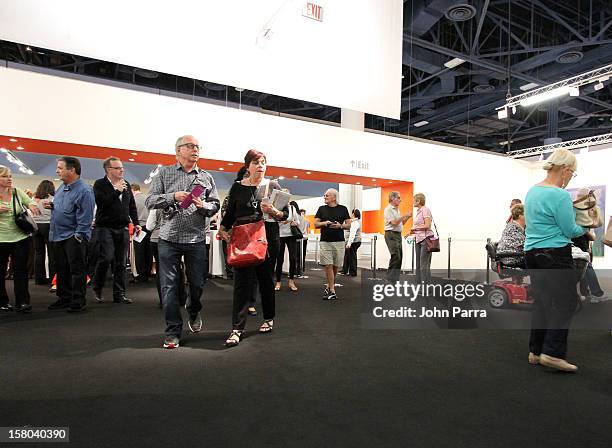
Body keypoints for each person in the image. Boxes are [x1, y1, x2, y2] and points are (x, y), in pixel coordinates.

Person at [145, 135, 220, 349]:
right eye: (190, 146)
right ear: (178, 151)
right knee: (169, 288)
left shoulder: (206, 177)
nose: (195, 149)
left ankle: (194, 309)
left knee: (197, 284)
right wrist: (173, 196)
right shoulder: (164, 173)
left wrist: (203, 205)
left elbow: (215, 204)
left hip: (196, 239)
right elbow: (150, 200)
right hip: (168, 239)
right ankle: (172, 332)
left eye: (197, 146)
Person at [524, 148, 593, 372]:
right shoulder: (560, 195)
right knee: (567, 303)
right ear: (564, 170)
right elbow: (570, 229)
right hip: (555, 254)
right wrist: (587, 227)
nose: (570, 177)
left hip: (532, 253)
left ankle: (535, 351)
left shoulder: (532, 191)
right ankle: (552, 353)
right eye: (572, 173)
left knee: (542, 302)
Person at [219, 149, 287, 347]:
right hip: (243, 239)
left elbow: (284, 215)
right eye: (256, 162)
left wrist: (273, 210)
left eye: (264, 162)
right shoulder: (237, 187)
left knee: (266, 279)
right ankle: (237, 328)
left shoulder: (272, 186)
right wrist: (223, 228)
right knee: (241, 284)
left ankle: (268, 317)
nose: (261, 166)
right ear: (247, 166)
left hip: (267, 238)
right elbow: (230, 213)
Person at [48, 156, 95, 313]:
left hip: (73, 236)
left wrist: (79, 235)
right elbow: (64, 206)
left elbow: (86, 215)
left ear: (72, 170)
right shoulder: (62, 187)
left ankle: (78, 300)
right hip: (58, 234)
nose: (57, 170)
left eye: (61, 168)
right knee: (61, 268)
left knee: (76, 270)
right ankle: (64, 297)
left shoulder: (84, 190)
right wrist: (53, 205)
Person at [91, 157, 140, 304]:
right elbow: (101, 203)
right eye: (118, 168)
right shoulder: (100, 184)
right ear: (108, 170)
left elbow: (131, 206)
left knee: (121, 262)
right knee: (106, 257)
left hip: (122, 227)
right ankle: (97, 286)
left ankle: (119, 294)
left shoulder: (126, 185)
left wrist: (136, 223)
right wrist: (116, 192)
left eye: (122, 167)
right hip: (105, 227)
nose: (121, 170)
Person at [0, 165, 40, 312]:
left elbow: (31, 202)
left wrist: (31, 205)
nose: (9, 179)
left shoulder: (17, 192)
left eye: (10, 176)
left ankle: (23, 302)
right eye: (5, 176)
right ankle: (2, 301)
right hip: (1, 240)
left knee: (21, 270)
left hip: (20, 238)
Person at [571, 189, 608, 304]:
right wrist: (587, 231)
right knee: (585, 267)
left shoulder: (580, 209)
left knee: (584, 267)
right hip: (579, 243)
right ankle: (593, 293)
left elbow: (594, 225)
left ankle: (588, 292)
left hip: (580, 242)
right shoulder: (581, 210)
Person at [314, 189, 351, 300]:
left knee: (335, 266)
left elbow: (349, 225)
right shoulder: (321, 209)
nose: (324, 196)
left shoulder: (343, 209)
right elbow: (315, 224)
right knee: (328, 265)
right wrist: (325, 223)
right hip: (325, 241)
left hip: (339, 241)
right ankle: (332, 290)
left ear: (334, 198)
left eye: (327, 195)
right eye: (324, 195)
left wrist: (340, 226)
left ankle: (329, 286)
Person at [383, 191, 412, 283]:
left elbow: (401, 223)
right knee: (396, 255)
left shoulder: (396, 210)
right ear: (393, 198)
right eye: (398, 198)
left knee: (399, 256)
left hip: (397, 234)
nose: (400, 200)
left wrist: (407, 217)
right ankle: (390, 278)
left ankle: (394, 279)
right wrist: (404, 216)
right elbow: (394, 222)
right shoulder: (388, 209)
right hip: (391, 234)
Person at [32, 180, 56, 285]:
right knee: (52, 253)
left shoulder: (34, 199)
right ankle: (52, 279)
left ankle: (39, 279)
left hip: (35, 226)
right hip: (48, 225)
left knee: (38, 253)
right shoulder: (52, 199)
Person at [275, 198, 300, 292]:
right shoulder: (277, 208)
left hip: (291, 235)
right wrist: (281, 222)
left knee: (293, 258)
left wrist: (295, 222)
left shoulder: (292, 208)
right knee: (279, 259)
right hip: (280, 235)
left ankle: (291, 281)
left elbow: (298, 221)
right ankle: (278, 281)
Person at [410, 193, 435, 285]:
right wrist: (412, 231)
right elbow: (418, 225)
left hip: (426, 239)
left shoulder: (425, 210)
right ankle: (419, 285)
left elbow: (428, 225)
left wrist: (415, 228)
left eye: (414, 200)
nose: (413, 202)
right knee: (418, 264)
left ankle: (426, 286)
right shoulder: (418, 211)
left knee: (424, 265)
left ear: (418, 201)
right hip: (418, 239)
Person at [131, 183, 152, 283]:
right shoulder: (147, 198)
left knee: (139, 252)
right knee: (148, 251)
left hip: (139, 228)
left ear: (132, 190)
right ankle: (148, 272)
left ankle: (141, 275)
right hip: (149, 227)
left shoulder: (133, 200)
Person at [341, 209, 362, 276]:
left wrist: (349, 243)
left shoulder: (355, 223)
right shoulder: (355, 222)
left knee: (352, 257)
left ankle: (353, 272)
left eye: (351, 213)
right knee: (347, 256)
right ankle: (344, 270)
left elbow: (352, 234)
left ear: (353, 214)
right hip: (354, 241)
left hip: (354, 242)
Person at [298, 209, 310, 275]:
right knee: (302, 253)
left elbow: (308, 229)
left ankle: (300, 268)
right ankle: (302, 268)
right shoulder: (307, 220)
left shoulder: (302, 220)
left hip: (302, 238)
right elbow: (308, 230)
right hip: (304, 238)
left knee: (300, 253)